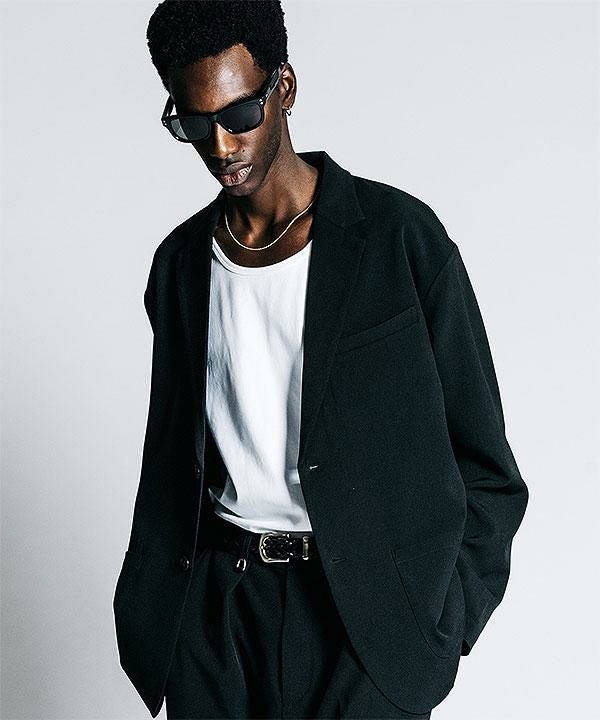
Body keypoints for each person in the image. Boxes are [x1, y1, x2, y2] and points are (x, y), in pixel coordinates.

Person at [112, 1, 530, 718]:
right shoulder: (180, 266)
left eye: (239, 114)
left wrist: (441, 624)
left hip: (364, 623)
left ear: (284, 88)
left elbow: (486, 466)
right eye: (194, 124)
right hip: (219, 618)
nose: (221, 146)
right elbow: (179, 457)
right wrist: (170, 630)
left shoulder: (399, 239)